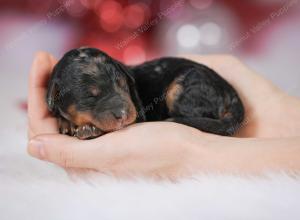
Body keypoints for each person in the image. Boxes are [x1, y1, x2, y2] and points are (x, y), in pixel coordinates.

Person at [27, 52, 300, 178]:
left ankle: (211, 124)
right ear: (56, 98)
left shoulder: (135, 87)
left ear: (126, 79)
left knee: (181, 87)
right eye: (93, 97)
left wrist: (194, 152)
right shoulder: (59, 100)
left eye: (122, 87)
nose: (123, 109)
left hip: (192, 83)